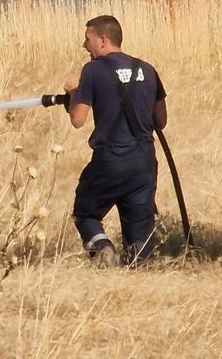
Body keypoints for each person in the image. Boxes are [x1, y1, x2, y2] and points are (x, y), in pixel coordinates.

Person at [61, 15, 168, 267]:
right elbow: (161, 120)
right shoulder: (147, 69)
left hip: (110, 161)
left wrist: (73, 93)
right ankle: (138, 270)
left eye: (87, 39)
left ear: (103, 39)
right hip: (143, 162)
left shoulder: (93, 70)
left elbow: (77, 119)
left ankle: (102, 247)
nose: (84, 46)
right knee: (139, 239)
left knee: (85, 213)